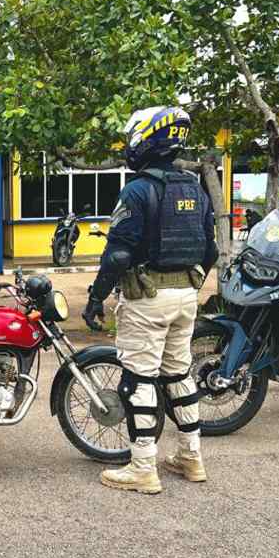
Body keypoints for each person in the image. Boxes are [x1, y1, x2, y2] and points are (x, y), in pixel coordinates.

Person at [82, 106, 218, 494]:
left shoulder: (139, 189)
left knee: (138, 379)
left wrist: (96, 298)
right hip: (186, 295)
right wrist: (189, 285)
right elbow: (209, 251)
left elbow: (118, 254)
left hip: (147, 297)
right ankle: (191, 457)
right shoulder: (194, 186)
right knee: (178, 373)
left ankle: (142, 467)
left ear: (146, 139)